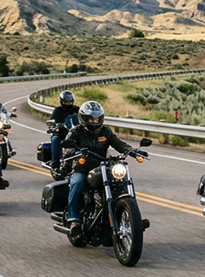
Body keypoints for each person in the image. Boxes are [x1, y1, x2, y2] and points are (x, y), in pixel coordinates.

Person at [60, 101, 145, 236]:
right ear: (84, 119)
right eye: (91, 119)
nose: (95, 121)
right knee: (77, 182)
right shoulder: (76, 131)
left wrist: (133, 151)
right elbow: (67, 147)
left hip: (103, 167)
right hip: (82, 168)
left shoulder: (105, 131)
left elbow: (119, 144)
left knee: (123, 181)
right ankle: (74, 220)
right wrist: (72, 151)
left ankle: (134, 217)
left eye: (97, 118)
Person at [49, 90, 79, 161]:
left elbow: (83, 119)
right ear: (61, 101)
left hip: (75, 132)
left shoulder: (77, 109)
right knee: (55, 139)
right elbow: (52, 120)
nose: (68, 104)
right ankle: (55, 162)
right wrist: (55, 125)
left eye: (69, 102)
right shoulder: (58, 110)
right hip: (62, 132)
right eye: (65, 102)